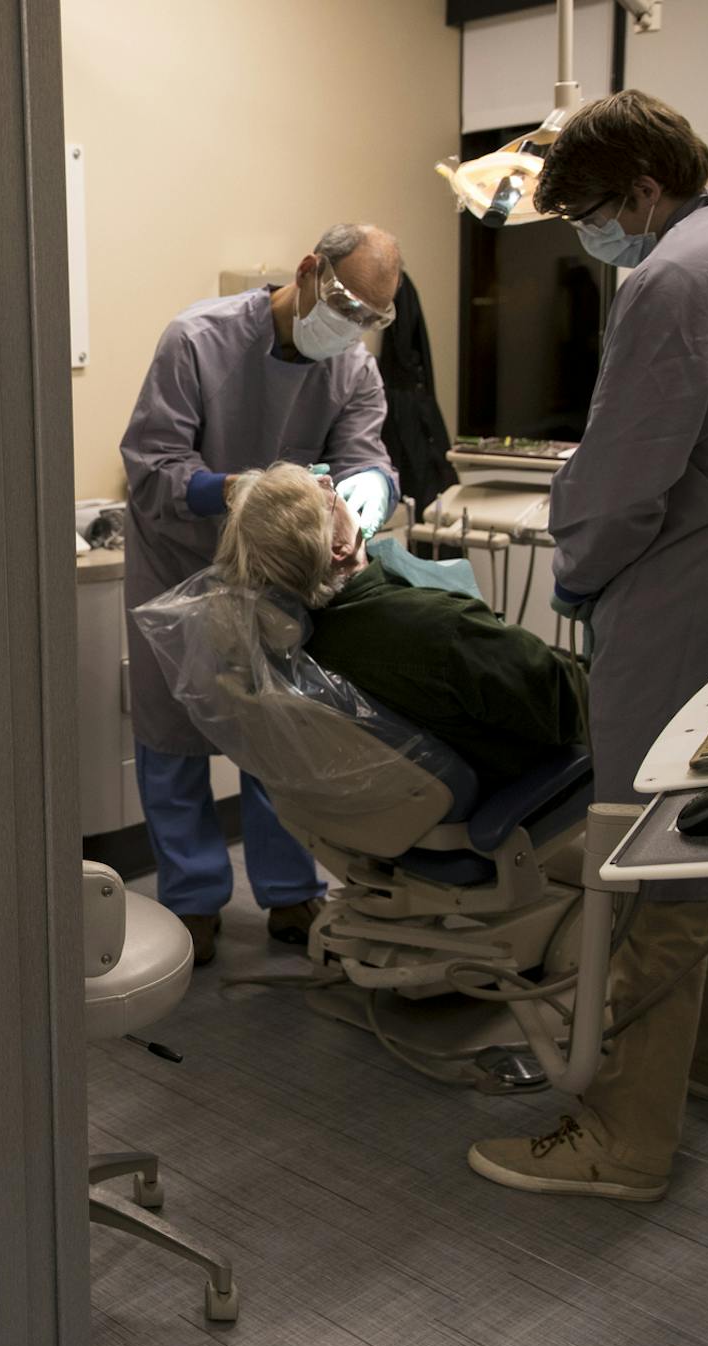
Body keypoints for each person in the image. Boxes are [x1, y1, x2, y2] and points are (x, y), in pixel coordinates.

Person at [466, 91, 708, 1200]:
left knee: (655, 863)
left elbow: (622, 478)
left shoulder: (673, 275)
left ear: (646, 190)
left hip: (682, 595)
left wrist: (573, 566)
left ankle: (623, 1133)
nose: (590, 241)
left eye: (588, 216)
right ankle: (701, 1064)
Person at [121, 223, 402, 964]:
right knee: (173, 736)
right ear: (309, 272)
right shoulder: (197, 340)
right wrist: (231, 489)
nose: (352, 329)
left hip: (277, 574)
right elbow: (151, 468)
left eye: (371, 319)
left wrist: (368, 495)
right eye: (345, 306)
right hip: (181, 561)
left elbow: (366, 454)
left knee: (280, 732)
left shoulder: (352, 366)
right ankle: (191, 902)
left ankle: (288, 893)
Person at [213, 465, 589, 774]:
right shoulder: (446, 629)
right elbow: (576, 706)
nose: (330, 480)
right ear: (339, 548)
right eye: (326, 494)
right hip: (521, 774)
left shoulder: (291, 642)